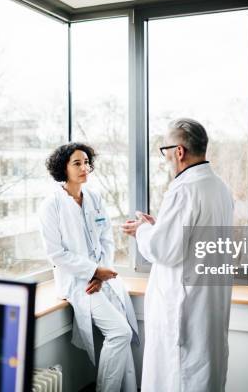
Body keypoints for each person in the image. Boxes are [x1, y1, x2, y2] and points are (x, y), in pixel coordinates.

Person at [122, 118, 234, 392]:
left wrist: (142, 231)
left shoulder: (184, 189)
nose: (165, 159)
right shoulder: (218, 187)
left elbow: (164, 250)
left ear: (179, 151)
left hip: (183, 312)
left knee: (179, 379)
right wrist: (158, 226)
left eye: (165, 151)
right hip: (207, 307)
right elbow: (192, 237)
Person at [38, 142, 139, 392]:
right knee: (120, 333)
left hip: (101, 278)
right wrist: (93, 272)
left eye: (86, 162)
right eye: (77, 163)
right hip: (77, 283)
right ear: (64, 167)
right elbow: (56, 253)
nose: (85, 167)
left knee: (122, 336)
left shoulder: (95, 198)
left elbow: (107, 239)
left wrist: (101, 273)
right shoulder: (51, 205)